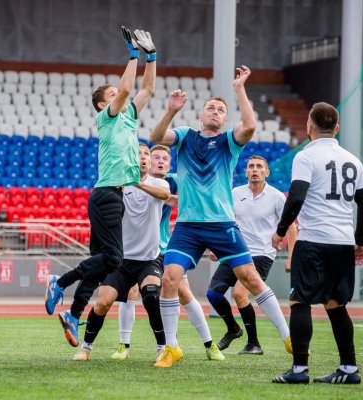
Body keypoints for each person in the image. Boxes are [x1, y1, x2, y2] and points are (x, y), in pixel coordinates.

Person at [149, 66, 290, 368]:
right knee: (170, 279)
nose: (214, 111)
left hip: (222, 225)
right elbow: (156, 136)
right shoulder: (186, 137)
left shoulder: (228, 142)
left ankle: (287, 336)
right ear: (201, 115)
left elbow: (250, 126)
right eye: (210, 108)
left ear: (225, 119)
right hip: (187, 226)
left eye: (220, 110)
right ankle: (171, 348)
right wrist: (171, 110)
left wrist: (239, 89)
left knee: (250, 279)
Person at [44, 27, 157, 347]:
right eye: (109, 95)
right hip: (108, 193)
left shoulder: (129, 117)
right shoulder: (108, 117)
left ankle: (74, 314)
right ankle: (60, 282)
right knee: (113, 260)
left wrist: (152, 57)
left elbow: (146, 89)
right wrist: (132, 55)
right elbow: (125, 89)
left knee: (99, 263)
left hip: (111, 195)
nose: (117, 95)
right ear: (100, 105)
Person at [271, 102, 363, 384]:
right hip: (342, 242)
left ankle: (300, 370)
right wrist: (360, 241)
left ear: (309, 127)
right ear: (336, 128)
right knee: (336, 304)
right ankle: (349, 369)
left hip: (314, 239)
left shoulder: (306, 157)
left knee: (300, 301)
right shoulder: (353, 159)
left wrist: (280, 231)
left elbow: (297, 196)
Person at [112, 145, 224, 362]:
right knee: (130, 292)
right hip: (139, 250)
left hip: (166, 248)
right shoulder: (135, 181)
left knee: (184, 292)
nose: (160, 161)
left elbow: (200, 199)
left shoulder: (175, 180)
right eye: (155, 157)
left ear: (170, 164)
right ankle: (124, 344)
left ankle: (209, 344)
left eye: (165, 158)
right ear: (146, 161)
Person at [72, 143, 170, 361]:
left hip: (148, 259)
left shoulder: (158, 183)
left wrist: (136, 182)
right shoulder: (118, 186)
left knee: (151, 297)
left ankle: (162, 348)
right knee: (103, 303)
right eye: (138, 154)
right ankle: (86, 348)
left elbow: (165, 194)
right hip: (120, 259)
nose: (143, 157)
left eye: (146, 154)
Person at [207, 155, 297, 355]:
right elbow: (226, 222)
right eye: (251, 166)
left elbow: (291, 227)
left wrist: (292, 256)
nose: (255, 169)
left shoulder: (276, 196)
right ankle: (233, 329)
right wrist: (216, 247)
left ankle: (254, 343)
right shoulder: (236, 193)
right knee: (213, 294)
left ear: (267, 172)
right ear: (246, 172)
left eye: (259, 167)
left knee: (239, 294)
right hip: (235, 251)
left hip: (261, 254)